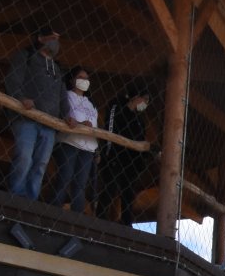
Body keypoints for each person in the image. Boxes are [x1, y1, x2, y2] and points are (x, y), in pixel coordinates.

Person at [3, 28, 64, 199]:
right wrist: (21, 98)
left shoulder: (56, 69)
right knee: (24, 157)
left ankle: (31, 198)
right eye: (52, 37)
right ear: (40, 38)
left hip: (49, 123)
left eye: (58, 39)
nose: (55, 41)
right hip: (26, 118)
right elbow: (13, 79)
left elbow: (62, 94)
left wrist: (66, 114)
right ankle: (16, 195)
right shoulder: (26, 57)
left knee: (41, 164)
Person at [94, 86, 153, 224]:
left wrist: (142, 160)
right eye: (143, 99)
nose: (145, 103)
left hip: (130, 161)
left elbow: (140, 140)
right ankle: (99, 220)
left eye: (147, 101)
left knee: (129, 194)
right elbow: (111, 128)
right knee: (110, 188)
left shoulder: (139, 120)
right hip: (114, 156)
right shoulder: (116, 106)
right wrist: (107, 153)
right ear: (135, 97)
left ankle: (127, 223)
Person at [51, 66, 99, 213]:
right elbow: (64, 116)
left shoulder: (91, 103)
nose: (85, 81)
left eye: (87, 78)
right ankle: (53, 212)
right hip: (69, 142)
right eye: (81, 77)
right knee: (64, 179)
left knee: (81, 185)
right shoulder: (66, 96)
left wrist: (97, 151)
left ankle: (76, 217)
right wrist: (80, 124)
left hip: (88, 147)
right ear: (72, 80)